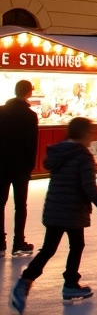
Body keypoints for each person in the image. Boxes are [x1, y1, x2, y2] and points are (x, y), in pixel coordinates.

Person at [8, 117, 97, 313]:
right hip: (71, 210)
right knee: (76, 245)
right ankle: (70, 284)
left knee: (49, 249)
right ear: (82, 134)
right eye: (90, 133)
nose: (92, 137)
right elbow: (89, 185)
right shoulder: (82, 156)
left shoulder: (60, 151)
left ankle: (26, 281)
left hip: (55, 208)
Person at [0, 79, 38, 258]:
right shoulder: (30, 115)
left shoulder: (1, 111)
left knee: (0, 203)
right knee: (20, 205)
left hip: (1, 164)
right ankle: (18, 242)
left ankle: (0, 242)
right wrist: (30, 165)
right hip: (21, 166)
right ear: (29, 93)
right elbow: (31, 143)